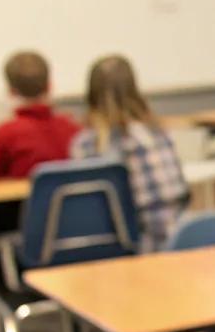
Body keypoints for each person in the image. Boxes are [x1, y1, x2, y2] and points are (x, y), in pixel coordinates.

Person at [71, 56, 188, 252]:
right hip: (176, 244)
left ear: (91, 95)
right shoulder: (159, 134)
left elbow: (89, 215)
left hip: (125, 251)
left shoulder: (87, 144)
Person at [0, 51, 80, 178]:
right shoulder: (72, 127)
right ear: (49, 86)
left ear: (11, 91)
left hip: (22, 197)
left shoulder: (6, 133)